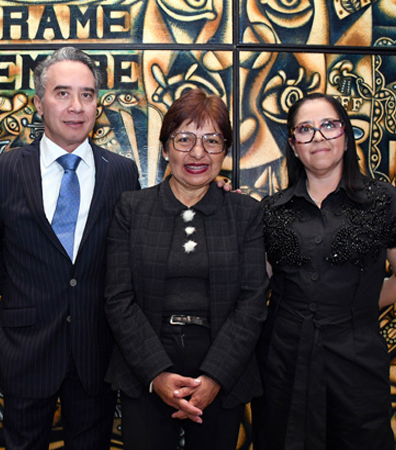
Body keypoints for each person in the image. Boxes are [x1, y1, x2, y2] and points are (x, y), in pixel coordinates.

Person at [0, 47, 141, 450]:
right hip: (27, 347)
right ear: (38, 103)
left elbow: (130, 253)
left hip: (96, 348)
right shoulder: (1, 170)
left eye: (87, 94)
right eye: (62, 93)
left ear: (97, 104)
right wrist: (26, 293)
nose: (76, 106)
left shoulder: (121, 172)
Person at [104, 88, 269, 450]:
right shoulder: (131, 209)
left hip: (223, 366)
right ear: (165, 148)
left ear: (225, 150)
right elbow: (118, 298)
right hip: (146, 365)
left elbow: (252, 301)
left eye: (212, 140)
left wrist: (215, 377)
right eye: (184, 139)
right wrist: (157, 374)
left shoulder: (245, 214)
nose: (198, 152)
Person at [252, 93, 396, 450]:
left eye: (329, 125)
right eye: (305, 129)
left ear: (346, 136)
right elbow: (255, 286)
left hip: (357, 361)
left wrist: (356, 306)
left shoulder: (383, 200)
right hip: (282, 362)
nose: (318, 137)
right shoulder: (271, 211)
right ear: (293, 145)